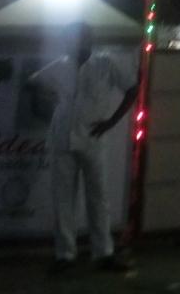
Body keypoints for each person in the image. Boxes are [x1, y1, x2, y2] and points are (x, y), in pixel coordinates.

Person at [27, 22, 138, 274]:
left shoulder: (106, 63)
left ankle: (104, 253)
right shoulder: (60, 65)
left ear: (89, 40)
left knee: (97, 197)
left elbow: (132, 89)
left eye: (81, 38)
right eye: (73, 38)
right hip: (62, 139)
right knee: (63, 199)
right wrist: (46, 107)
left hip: (92, 139)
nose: (77, 42)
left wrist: (112, 121)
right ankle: (65, 255)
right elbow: (31, 82)